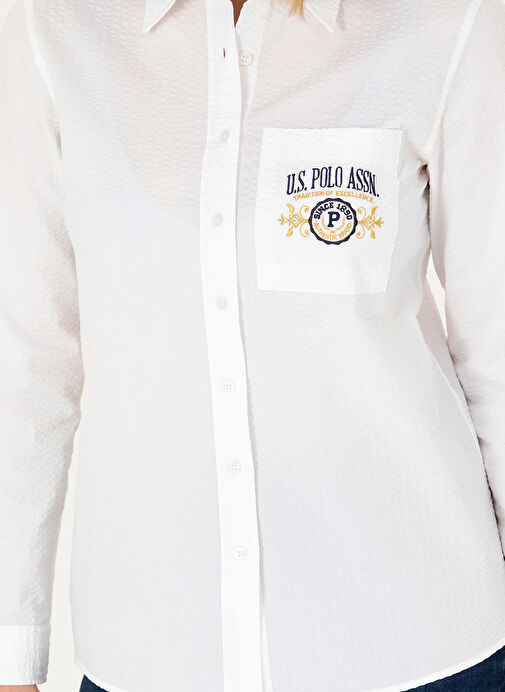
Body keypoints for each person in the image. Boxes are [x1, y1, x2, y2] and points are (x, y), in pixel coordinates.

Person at [1, 0, 505, 690]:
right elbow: (26, 358)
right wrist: (10, 651)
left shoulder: (447, 22)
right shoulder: (55, 27)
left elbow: (496, 347)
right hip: (150, 652)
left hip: (415, 645)